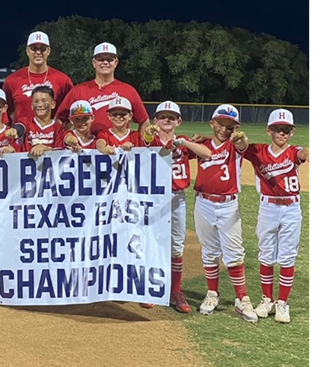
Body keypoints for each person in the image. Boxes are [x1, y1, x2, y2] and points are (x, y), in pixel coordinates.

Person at [172, 104, 258, 322]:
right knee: (209, 252)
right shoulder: (202, 144)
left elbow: (243, 143)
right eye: (220, 124)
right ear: (212, 123)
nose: (224, 129)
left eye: (230, 126)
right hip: (204, 203)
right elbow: (180, 153)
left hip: (228, 205)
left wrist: (239, 137)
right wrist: (192, 140)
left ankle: (242, 298)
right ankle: (212, 294)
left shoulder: (235, 145)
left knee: (234, 253)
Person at [242, 109, 310, 323]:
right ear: (269, 130)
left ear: (292, 132)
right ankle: (267, 299)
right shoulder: (258, 151)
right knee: (266, 254)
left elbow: (303, 152)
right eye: (277, 129)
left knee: (287, 256)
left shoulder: (293, 152)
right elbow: (239, 145)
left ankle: (282, 303)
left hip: (291, 209)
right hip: (268, 208)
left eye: (286, 129)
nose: (281, 133)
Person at [137, 101, 204, 313]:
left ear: (179, 121)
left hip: (177, 197)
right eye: (163, 116)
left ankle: (175, 290)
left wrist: (186, 143)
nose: (167, 120)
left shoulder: (183, 143)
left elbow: (207, 153)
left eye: (172, 117)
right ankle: (152, 288)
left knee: (176, 246)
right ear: (155, 120)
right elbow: (146, 141)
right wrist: (149, 133)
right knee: (153, 243)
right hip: (154, 198)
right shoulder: (149, 139)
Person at [56, 42, 150, 135]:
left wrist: (139, 144)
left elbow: (144, 121)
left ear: (116, 62)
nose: (105, 62)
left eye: (109, 59)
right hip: (87, 147)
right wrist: (64, 139)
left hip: (118, 147)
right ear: (94, 62)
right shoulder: (78, 90)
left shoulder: (128, 91)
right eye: (100, 59)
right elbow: (59, 119)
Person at [2, 31, 74, 124]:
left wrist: (63, 131)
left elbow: (73, 110)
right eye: (34, 48)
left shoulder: (63, 80)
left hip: (51, 137)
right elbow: (6, 112)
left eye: (43, 49)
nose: (38, 52)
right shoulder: (12, 80)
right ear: (27, 51)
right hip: (23, 136)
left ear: (48, 51)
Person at [20, 85, 65, 158]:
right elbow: (19, 127)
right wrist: (14, 131)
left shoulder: (58, 127)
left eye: (44, 101)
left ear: (53, 104)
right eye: (36, 101)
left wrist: (44, 148)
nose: (40, 105)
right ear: (31, 106)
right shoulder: (27, 122)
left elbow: (60, 153)